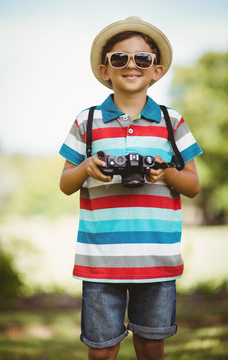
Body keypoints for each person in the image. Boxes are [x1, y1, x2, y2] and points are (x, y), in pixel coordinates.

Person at [59, 16, 202, 360]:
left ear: (157, 68)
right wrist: (88, 167)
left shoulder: (172, 121)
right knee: (102, 350)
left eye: (142, 58)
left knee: (152, 346)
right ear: (105, 69)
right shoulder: (86, 121)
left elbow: (194, 185)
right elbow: (65, 183)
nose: (131, 65)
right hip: (101, 258)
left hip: (156, 256)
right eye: (119, 58)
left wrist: (165, 172)